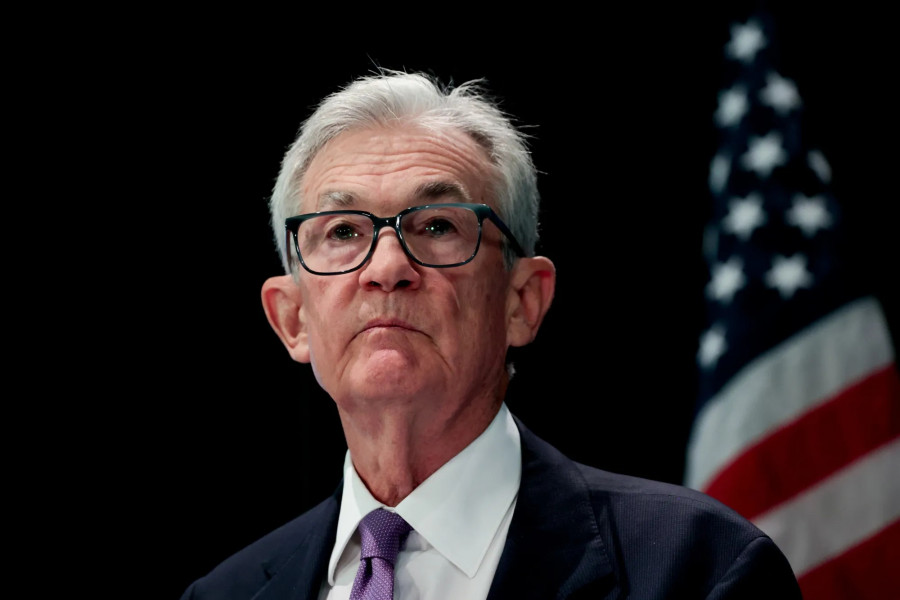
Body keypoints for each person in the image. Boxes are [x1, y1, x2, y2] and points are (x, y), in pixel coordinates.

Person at [180, 70, 801, 599]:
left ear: (521, 301)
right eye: (343, 231)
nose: (387, 268)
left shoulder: (698, 567)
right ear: (292, 318)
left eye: (438, 226)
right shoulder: (224, 594)